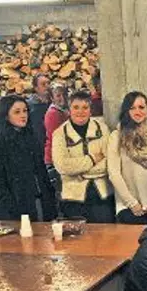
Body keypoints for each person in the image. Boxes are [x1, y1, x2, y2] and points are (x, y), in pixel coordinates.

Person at [108, 91, 147, 224]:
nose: (137, 112)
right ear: (126, 111)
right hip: (130, 208)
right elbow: (114, 174)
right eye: (132, 108)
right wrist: (132, 203)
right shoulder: (117, 137)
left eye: (141, 107)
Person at [52, 91, 115, 223]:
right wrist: (92, 159)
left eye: (85, 107)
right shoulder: (59, 134)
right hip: (73, 198)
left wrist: (82, 172)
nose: (80, 111)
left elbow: (110, 161)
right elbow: (62, 166)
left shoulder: (102, 129)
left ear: (90, 110)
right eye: (76, 107)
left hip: (102, 195)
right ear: (69, 110)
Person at [0, 94, 57, 221]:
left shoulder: (32, 137)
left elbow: (40, 170)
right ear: (6, 115)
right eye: (17, 112)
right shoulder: (1, 142)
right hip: (14, 204)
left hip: (39, 198)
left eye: (25, 111)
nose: (23, 115)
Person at [43, 82, 69, 166]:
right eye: (58, 96)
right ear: (52, 98)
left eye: (64, 94)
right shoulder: (53, 113)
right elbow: (56, 138)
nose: (63, 98)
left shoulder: (64, 111)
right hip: (54, 157)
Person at [27, 73, 51, 150]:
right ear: (36, 88)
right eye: (43, 84)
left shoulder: (55, 104)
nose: (47, 86)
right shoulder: (29, 105)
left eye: (48, 83)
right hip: (35, 147)